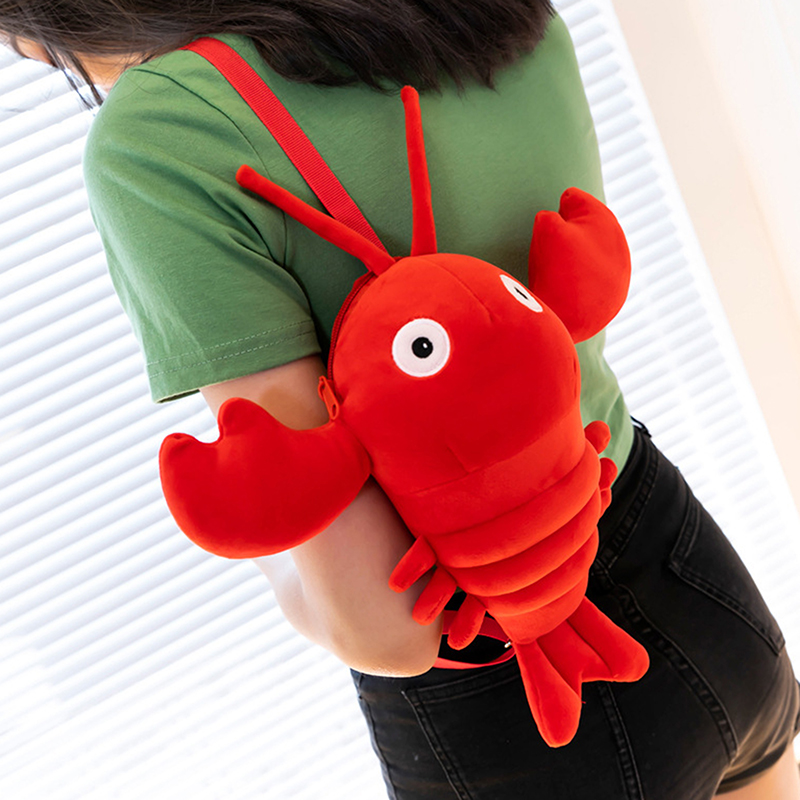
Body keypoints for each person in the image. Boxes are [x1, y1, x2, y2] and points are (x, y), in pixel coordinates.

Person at [3, 1, 799, 797]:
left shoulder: (164, 134)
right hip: (690, 574)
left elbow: (385, 627)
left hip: (514, 701)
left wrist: (277, 577)